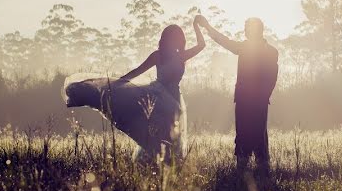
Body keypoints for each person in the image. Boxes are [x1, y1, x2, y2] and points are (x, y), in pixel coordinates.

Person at [63, 19, 205, 160]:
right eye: (172, 38)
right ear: (166, 40)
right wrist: (115, 83)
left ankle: (169, 161)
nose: (175, 41)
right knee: (157, 132)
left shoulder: (182, 56)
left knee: (171, 134)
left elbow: (201, 45)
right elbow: (137, 71)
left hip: (174, 100)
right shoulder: (158, 55)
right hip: (159, 97)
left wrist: (196, 25)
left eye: (177, 38)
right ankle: (156, 159)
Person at [196, 14, 278, 170]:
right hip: (243, 99)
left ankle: (262, 165)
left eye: (247, 29)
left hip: (258, 100)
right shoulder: (245, 47)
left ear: (257, 31)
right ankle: (243, 165)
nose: (246, 32)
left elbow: (272, 77)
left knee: (259, 132)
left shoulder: (271, 52)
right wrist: (207, 27)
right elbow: (223, 41)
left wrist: (264, 96)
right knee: (242, 131)